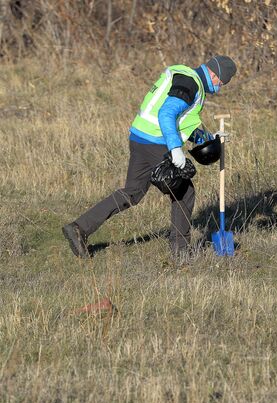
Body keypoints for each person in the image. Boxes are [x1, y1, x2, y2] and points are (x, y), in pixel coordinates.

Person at [62, 55, 237, 258]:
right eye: (222, 83)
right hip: (157, 142)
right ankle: (180, 252)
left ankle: (79, 228)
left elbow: (185, 121)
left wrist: (209, 138)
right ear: (215, 75)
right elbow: (166, 113)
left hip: (139, 138)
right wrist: (174, 149)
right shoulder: (191, 83)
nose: (220, 88)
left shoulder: (185, 75)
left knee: (132, 192)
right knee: (183, 193)